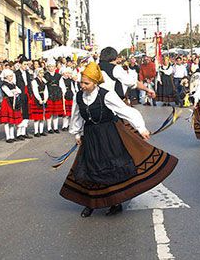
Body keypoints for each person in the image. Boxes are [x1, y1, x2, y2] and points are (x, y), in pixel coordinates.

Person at [60, 62, 178, 217]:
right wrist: (77, 134)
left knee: (111, 167)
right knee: (90, 168)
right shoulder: (79, 96)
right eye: (81, 82)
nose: (82, 86)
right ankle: (91, 203)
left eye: (86, 83)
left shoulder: (106, 94)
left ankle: (115, 202)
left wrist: (141, 128)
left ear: (95, 82)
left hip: (108, 135)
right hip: (90, 136)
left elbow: (125, 111)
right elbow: (77, 117)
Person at [0, 69, 23, 143]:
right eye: (10, 76)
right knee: (7, 121)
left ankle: (12, 136)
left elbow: (19, 91)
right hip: (7, 102)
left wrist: (14, 92)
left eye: (12, 76)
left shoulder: (12, 83)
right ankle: (8, 137)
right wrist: (14, 92)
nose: (11, 77)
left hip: (13, 101)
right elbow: (9, 93)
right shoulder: (4, 84)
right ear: (6, 76)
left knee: (12, 121)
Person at [14, 57, 33, 140]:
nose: (26, 66)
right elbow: (15, 84)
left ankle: (24, 131)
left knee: (26, 113)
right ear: (20, 64)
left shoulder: (27, 73)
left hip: (27, 94)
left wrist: (30, 93)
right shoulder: (16, 73)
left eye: (27, 64)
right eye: (24, 64)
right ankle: (19, 133)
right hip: (20, 94)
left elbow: (29, 84)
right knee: (20, 113)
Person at [44, 60, 64, 134]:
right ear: (48, 67)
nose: (51, 68)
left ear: (55, 67)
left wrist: (63, 93)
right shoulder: (45, 75)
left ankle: (55, 127)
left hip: (57, 94)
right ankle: (49, 127)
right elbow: (44, 85)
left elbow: (62, 85)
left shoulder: (58, 76)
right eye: (49, 66)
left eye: (52, 66)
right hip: (49, 94)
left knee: (56, 113)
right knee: (49, 113)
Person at [29, 68, 48, 137]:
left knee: (42, 116)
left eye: (42, 73)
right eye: (40, 73)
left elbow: (46, 90)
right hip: (37, 99)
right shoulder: (34, 81)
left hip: (43, 96)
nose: (42, 74)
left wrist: (45, 98)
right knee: (37, 117)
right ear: (37, 73)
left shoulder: (44, 80)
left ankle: (41, 130)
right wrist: (39, 99)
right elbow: (35, 91)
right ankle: (36, 131)